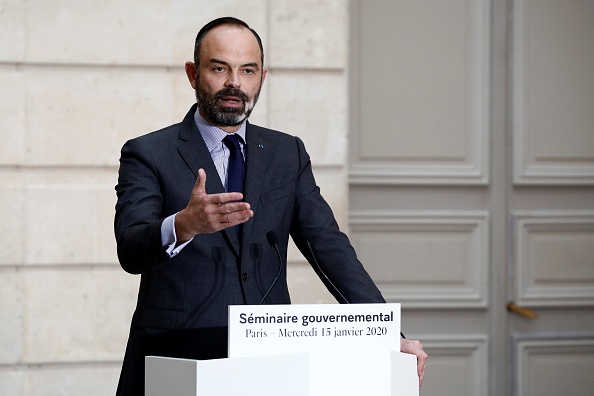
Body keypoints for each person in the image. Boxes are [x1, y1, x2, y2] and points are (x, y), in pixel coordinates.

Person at [114, 16, 427, 396]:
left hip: (268, 360)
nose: (235, 83)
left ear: (262, 77)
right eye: (219, 68)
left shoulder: (286, 152)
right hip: (176, 355)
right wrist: (184, 225)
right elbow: (131, 249)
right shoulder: (148, 152)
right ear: (193, 74)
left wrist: (388, 335)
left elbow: (328, 246)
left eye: (248, 70)